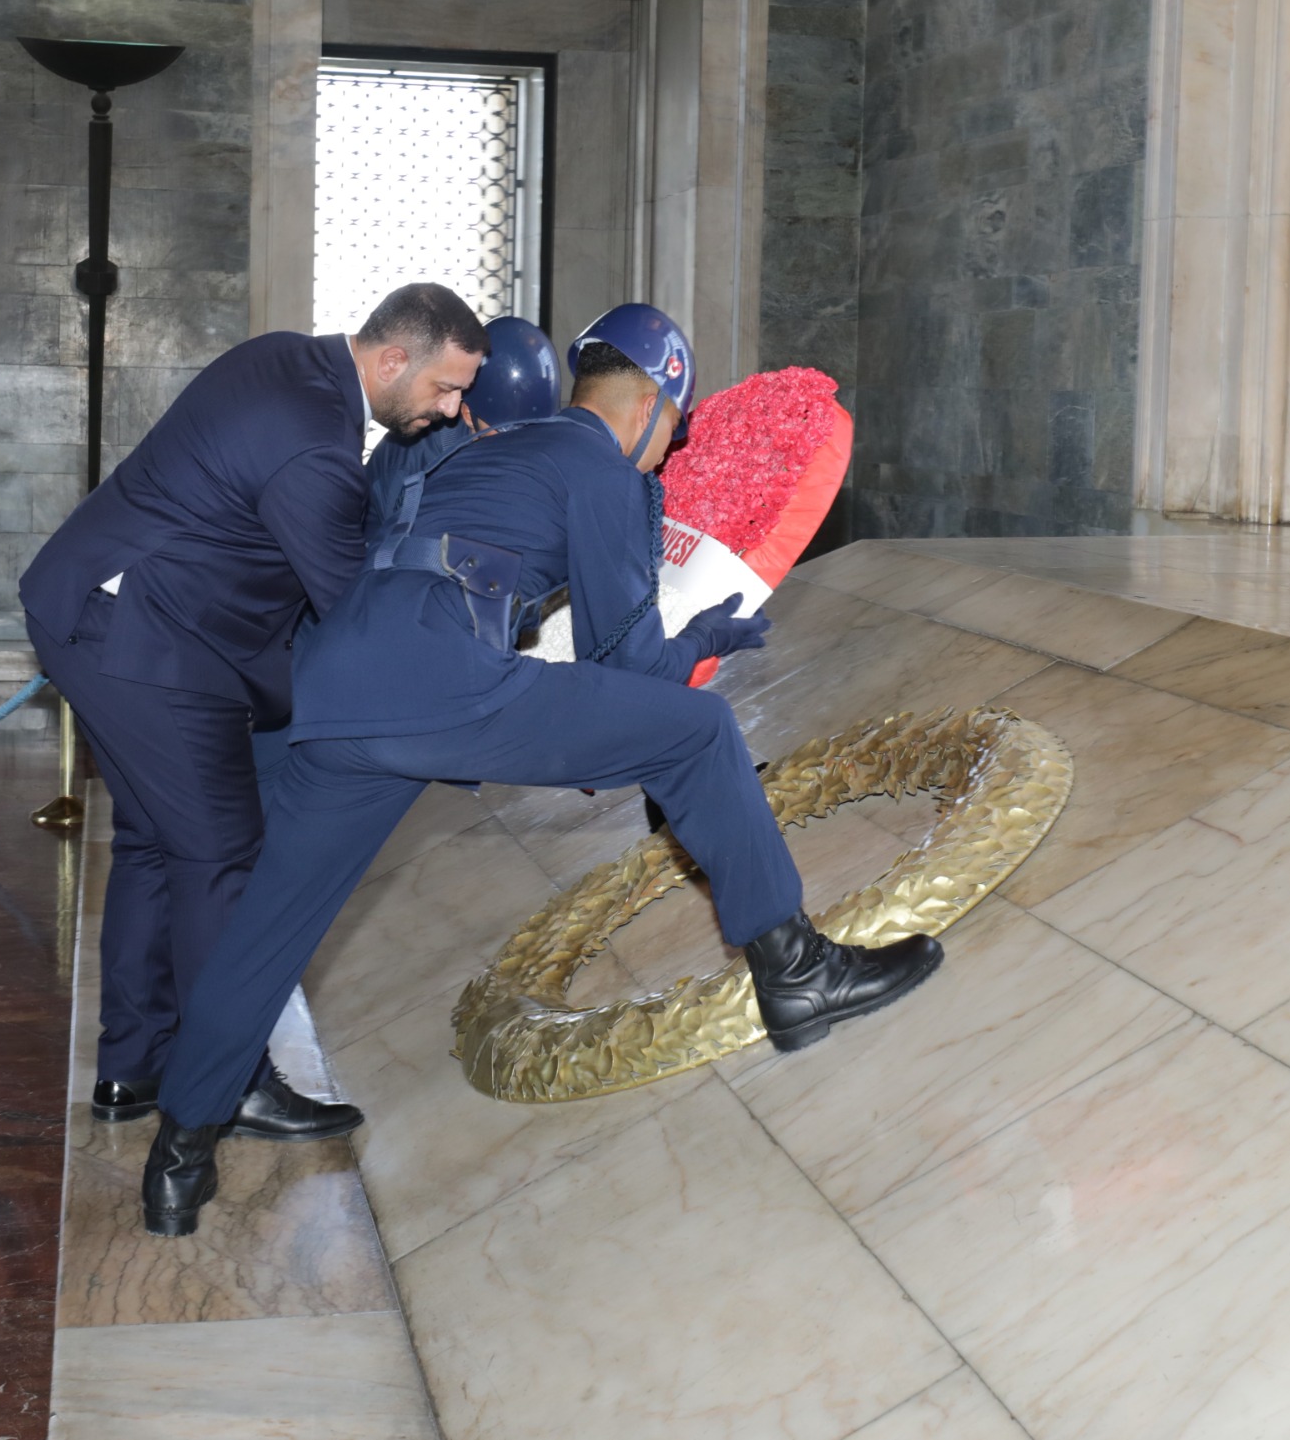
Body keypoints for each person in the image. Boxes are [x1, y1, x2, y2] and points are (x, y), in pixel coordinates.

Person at [137, 304, 943, 1237]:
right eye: (673, 430)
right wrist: (704, 639)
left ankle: (177, 1160)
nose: (668, 453)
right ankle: (798, 972)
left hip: (335, 687)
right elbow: (625, 664)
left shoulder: (494, 451)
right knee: (698, 732)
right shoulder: (600, 467)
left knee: (267, 931)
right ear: (649, 404)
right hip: (442, 680)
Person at [20, 283, 488, 1142]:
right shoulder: (315, 445)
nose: (454, 411)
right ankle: (228, 1080)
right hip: (140, 640)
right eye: (445, 390)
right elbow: (348, 610)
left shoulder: (291, 357)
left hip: (97, 604)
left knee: (154, 843)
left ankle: (133, 1067)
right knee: (225, 854)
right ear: (393, 361)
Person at [363, 314, 562, 535]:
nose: (520, 444)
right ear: (468, 414)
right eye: (507, 433)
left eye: (532, 431)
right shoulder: (414, 466)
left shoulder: (554, 451)